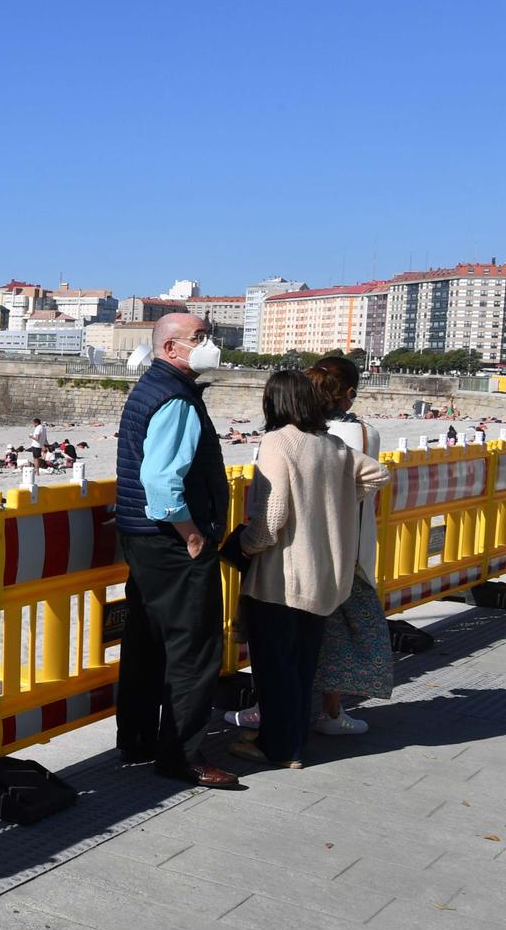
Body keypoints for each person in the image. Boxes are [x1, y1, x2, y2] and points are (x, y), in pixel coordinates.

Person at [229, 370, 389, 770]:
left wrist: (245, 546)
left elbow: (275, 512)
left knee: (274, 667)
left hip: (282, 578)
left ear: (276, 401)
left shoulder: (277, 441)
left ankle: (280, 748)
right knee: (302, 667)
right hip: (325, 581)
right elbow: (379, 473)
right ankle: (294, 744)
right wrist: (339, 504)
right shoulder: (332, 446)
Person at [114, 313, 240, 788]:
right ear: (171, 349)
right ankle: (182, 755)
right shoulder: (176, 398)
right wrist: (192, 534)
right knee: (193, 651)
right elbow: (161, 483)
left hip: (141, 536)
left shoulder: (150, 386)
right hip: (170, 540)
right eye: (200, 339)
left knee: (145, 641)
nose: (210, 346)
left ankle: (138, 740)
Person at [303, 357, 394, 737]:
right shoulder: (365, 435)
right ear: (350, 394)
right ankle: (332, 710)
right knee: (341, 633)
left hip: (302, 547)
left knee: (291, 629)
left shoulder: (297, 431)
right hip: (351, 548)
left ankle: (266, 706)